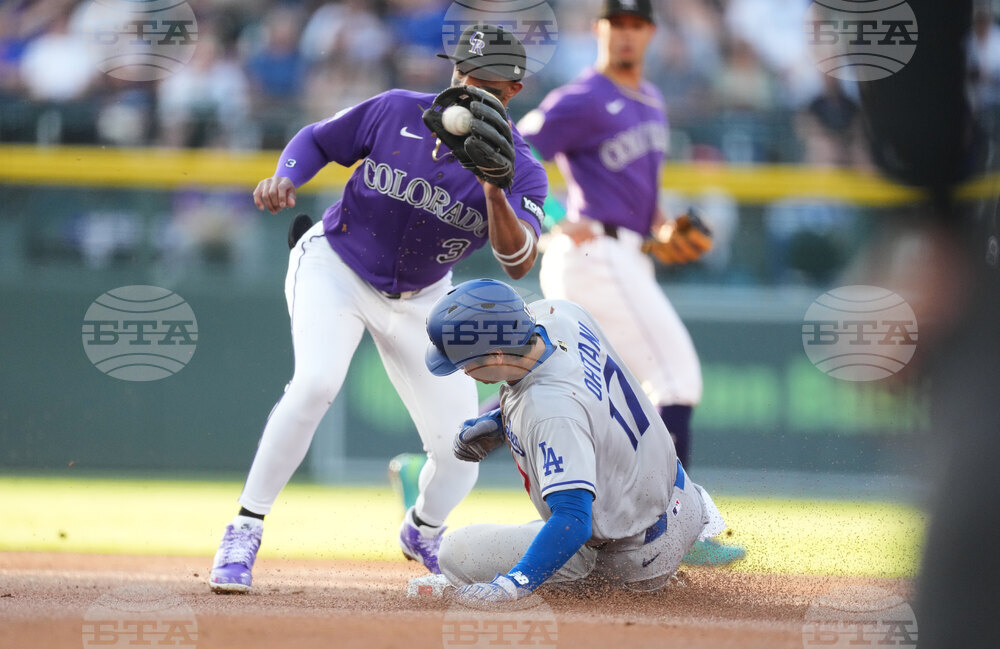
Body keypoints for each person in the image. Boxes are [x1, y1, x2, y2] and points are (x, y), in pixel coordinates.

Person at [208, 24, 548, 593]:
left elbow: (519, 261)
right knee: (315, 383)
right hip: (335, 266)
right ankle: (244, 527)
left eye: (486, 82)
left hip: (424, 298)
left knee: (460, 448)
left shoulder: (522, 169)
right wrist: (286, 176)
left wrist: (494, 189)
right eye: (463, 72)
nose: (468, 87)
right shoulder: (397, 110)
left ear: (512, 91)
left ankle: (423, 528)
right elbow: (317, 140)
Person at [516, 0, 743, 566]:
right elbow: (514, 150)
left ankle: (444, 455)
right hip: (595, 253)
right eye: (616, 24)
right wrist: (551, 216)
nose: (626, 34)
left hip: (624, 254)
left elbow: (644, 194)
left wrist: (662, 227)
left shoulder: (651, 100)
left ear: (650, 33)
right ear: (600, 29)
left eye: (636, 25)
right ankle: (669, 529)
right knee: (674, 377)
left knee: (578, 391)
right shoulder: (584, 96)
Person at [421, 278, 727, 604]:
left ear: (497, 355)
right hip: (683, 502)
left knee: (456, 553)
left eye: (465, 361)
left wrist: (512, 585)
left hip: (633, 555)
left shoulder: (548, 412)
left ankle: (620, 585)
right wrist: (503, 422)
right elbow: (585, 402)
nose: (464, 370)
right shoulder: (562, 315)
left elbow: (573, 521)